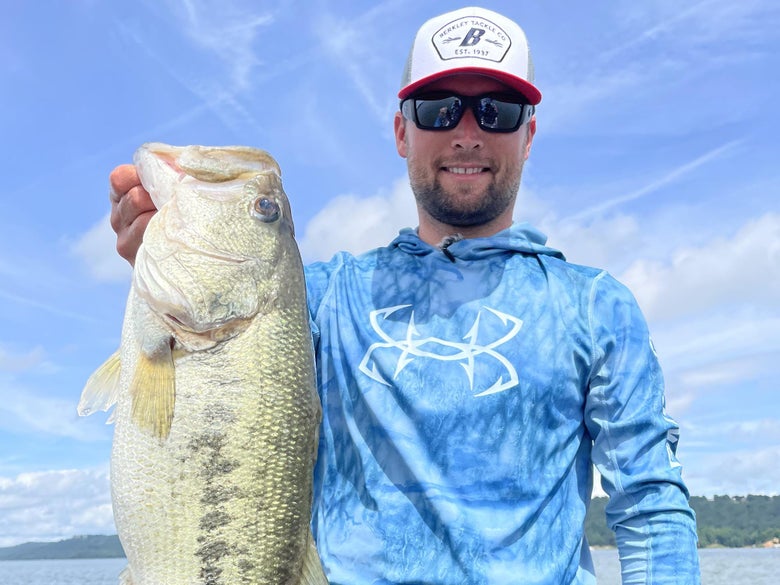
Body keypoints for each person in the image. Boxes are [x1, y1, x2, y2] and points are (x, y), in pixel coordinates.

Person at [108, 6, 701, 584]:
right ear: (401, 132)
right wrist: (161, 250)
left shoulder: (596, 307)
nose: (468, 134)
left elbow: (649, 503)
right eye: (439, 110)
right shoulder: (321, 297)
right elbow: (212, 370)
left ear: (529, 135)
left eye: (498, 111)